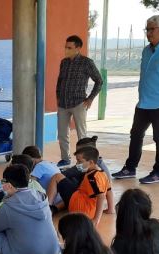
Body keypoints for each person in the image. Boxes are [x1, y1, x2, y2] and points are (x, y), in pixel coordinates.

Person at [112, 15, 159, 184]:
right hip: (144, 102)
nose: (149, 33)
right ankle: (130, 168)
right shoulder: (147, 50)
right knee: (136, 134)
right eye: (147, 29)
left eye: (152, 29)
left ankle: (158, 172)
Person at [0, 164, 60, 254]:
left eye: (3, 182)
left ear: (9, 185)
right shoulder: (41, 196)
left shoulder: (8, 206)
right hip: (51, 253)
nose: (2, 184)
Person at [56, 35, 103, 166]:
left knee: (82, 135)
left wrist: (90, 98)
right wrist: (58, 97)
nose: (66, 50)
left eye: (69, 47)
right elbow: (60, 82)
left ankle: (83, 161)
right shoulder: (64, 62)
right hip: (63, 104)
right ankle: (65, 158)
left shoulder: (87, 62)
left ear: (78, 48)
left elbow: (99, 81)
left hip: (79, 103)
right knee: (62, 134)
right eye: (66, 47)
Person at [47, 137, 115, 214]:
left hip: (81, 205)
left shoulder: (91, 173)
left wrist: (96, 219)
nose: (77, 164)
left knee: (57, 177)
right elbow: (109, 189)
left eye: (79, 160)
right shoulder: (102, 170)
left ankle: (46, 208)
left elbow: (101, 195)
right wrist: (111, 209)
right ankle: (54, 209)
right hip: (88, 203)